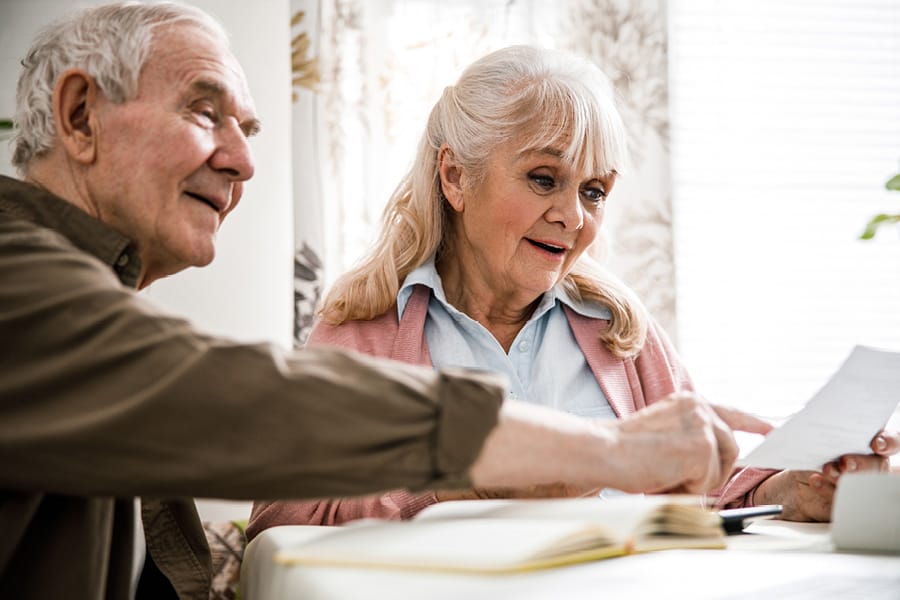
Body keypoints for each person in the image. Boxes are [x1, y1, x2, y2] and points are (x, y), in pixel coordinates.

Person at [0, 4, 777, 599]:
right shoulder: (19, 283)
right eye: (206, 113)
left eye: (249, 128)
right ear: (79, 117)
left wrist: (785, 482)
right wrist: (609, 454)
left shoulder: (619, 329)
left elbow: (710, 484)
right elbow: (251, 407)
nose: (243, 161)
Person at [247, 45, 899, 538]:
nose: (574, 216)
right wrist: (468, 490)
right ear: (455, 176)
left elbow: (707, 491)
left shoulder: (619, 329)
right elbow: (280, 522)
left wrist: (805, 489)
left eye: (593, 191)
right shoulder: (363, 329)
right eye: (542, 178)